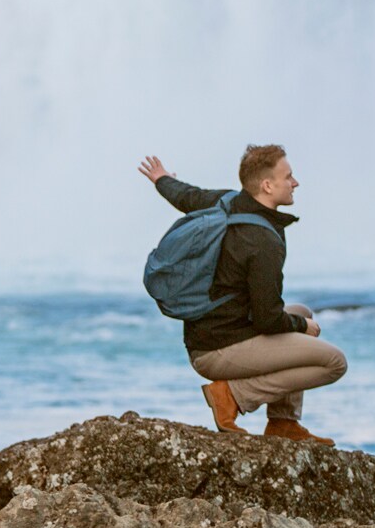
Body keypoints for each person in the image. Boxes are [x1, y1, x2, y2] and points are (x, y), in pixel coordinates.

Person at [138, 145, 347, 445]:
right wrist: (302, 329)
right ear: (267, 185)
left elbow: (187, 196)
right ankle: (231, 396)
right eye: (288, 176)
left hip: (207, 337)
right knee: (334, 362)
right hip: (217, 352)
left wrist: (162, 179)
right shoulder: (262, 243)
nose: (295, 182)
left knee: (301, 310)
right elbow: (267, 319)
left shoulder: (227, 201)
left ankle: (283, 423)